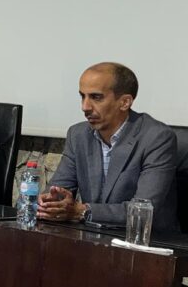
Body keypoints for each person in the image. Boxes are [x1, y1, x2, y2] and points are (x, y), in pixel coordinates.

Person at [38, 62, 179, 234]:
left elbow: (143, 209)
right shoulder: (78, 135)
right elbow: (58, 188)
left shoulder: (156, 138)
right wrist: (53, 202)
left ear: (125, 102)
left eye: (96, 97)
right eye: (83, 96)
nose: (85, 107)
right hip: (93, 236)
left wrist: (83, 211)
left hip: (147, 240)